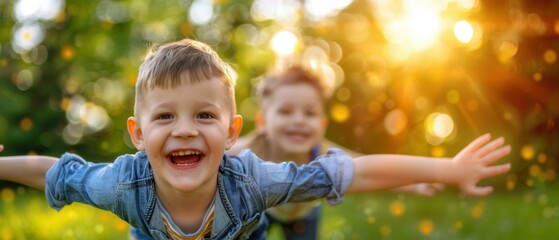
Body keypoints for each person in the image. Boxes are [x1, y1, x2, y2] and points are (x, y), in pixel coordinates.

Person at [0, 38, 512, 240]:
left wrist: (445, 170)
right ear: (137, 135)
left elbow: (351, 169)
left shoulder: (254, 181)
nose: (183, 129)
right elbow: (58, 173)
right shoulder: (121, 185)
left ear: (231, 132)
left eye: (204, 114)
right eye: (164, 119)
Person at [226, 66, 444, 240]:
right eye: (285, 111)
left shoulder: (320, 150)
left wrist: (414, 183)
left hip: (304, 213)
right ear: (263, 122)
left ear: (322, 125)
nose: (299, 120)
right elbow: (220, 152)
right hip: (263, 210)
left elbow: (367, 167)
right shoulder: (249, 149)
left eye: (309, 113)